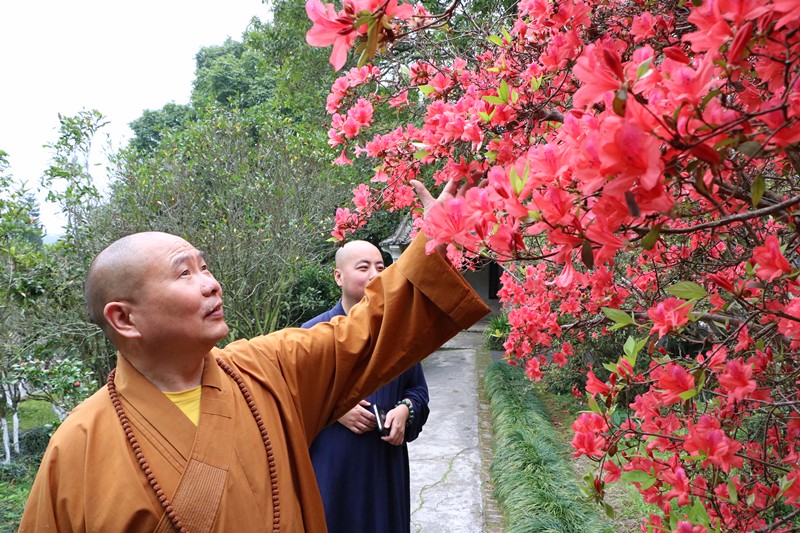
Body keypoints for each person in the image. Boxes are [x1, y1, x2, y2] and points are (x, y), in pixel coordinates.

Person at [18, 179, 489, 532]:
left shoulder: (269, 368)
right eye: (184, 274)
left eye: (205, 267)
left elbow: (368, 330)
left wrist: (434, 241)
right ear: (124, 319)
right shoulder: (77, 447)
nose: (211, 283)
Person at [302, 240, 429, 532]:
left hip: (384, 465)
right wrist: (333, 410)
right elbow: (288, 401)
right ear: (338, 276)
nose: (375, 274)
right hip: (334, 466)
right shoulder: (311, 335)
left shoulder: (397, 336)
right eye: (363, 267)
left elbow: (417, 391)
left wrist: (405, 410)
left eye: (381, 267)